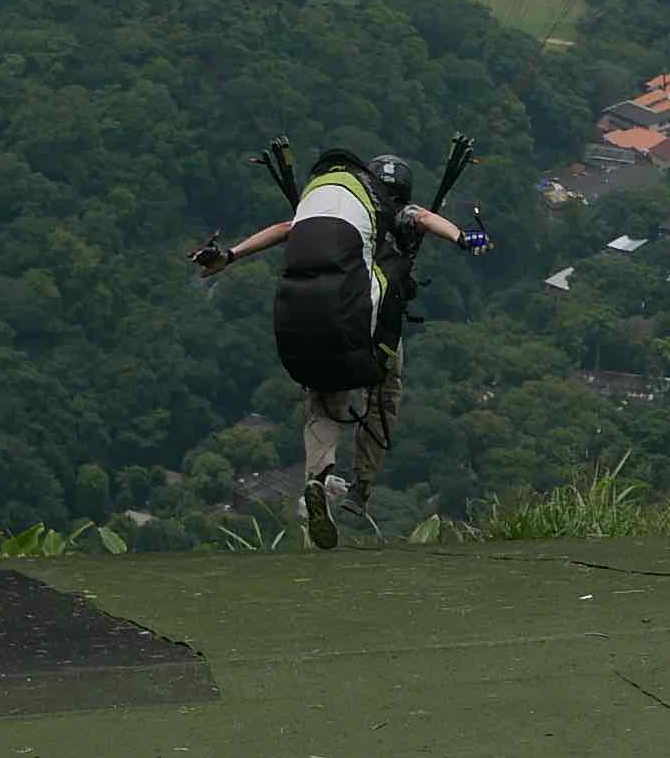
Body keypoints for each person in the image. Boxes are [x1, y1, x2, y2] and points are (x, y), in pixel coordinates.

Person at [195, 146, 488, 550]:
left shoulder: (342, 210)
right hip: (370, 325)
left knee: (322, 396)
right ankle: (360, 488)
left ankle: (316, 478)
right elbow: (422, 218)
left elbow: (285, 227)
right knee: (383, 395)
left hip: (317, 319)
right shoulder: (396, 211)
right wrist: (461, 236)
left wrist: (230, 255)